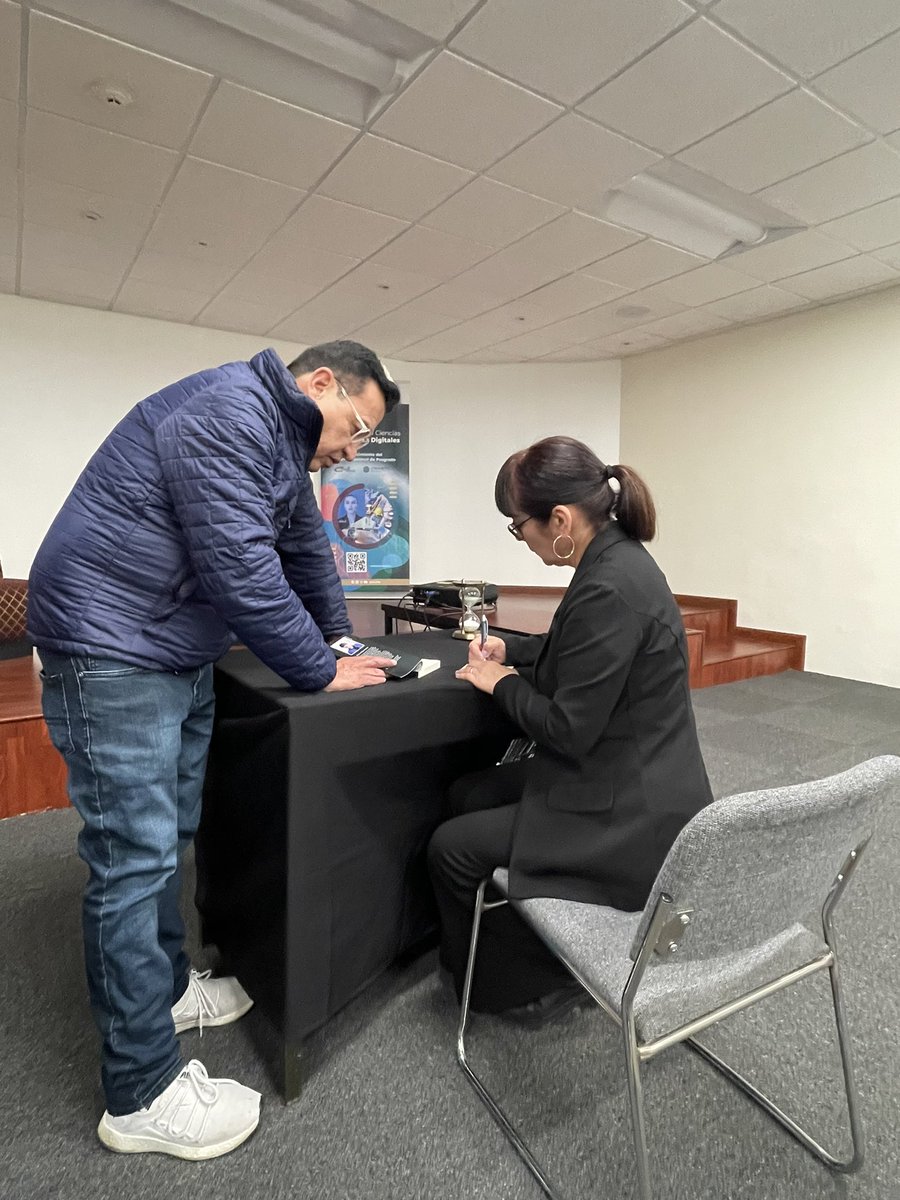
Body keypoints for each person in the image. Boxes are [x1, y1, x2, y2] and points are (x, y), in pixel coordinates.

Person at [27, 340, 400, 1158]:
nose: (352, 447)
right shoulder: (229, 412)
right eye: (354, 426)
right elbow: (240, 564)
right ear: (320, 382)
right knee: (132, 863)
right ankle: (139, 1094)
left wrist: (335, 642)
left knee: (165, 843)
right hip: (113, 644)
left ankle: (161, 991)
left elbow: (303, 552)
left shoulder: (278, 443)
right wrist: (314, 669)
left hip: (169, 644)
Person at [428, 436, 713, 1026]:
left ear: (560, 519)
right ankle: (503, 946)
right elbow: (576, 657)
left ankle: (512, 989)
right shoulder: (615, 559)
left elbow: (567, 730)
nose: (521, 538)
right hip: (628, 773)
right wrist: (515, 651)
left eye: (518, 526)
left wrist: (500, 683)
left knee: (450, 849)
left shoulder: (608, 585)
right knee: (467, 794)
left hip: (632, 810)